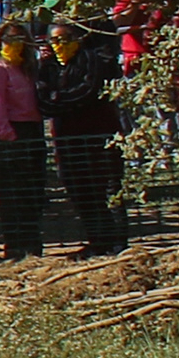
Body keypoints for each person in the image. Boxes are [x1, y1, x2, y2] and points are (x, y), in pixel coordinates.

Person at [38, 16, 129, 252]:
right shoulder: (48, 67)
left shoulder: (92, 60)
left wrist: (59, 99)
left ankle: (118, 241)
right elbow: (42, 100)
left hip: (98, 134)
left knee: (108, 185)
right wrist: (59, 101)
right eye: (54, 40)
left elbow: (87, 91)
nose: (59, 45)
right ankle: (97, 240)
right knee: (78, 188)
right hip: (66, 139)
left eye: (65, 39)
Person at [0, 23, 51, 258]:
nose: (15, 43)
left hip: (32, 132)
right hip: (9, 137)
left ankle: (33, 245)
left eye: (19, 39)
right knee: (12, 195)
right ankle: (15, 246)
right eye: (10, 39)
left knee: (34, 192)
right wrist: (9, 137)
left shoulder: (29, 69)